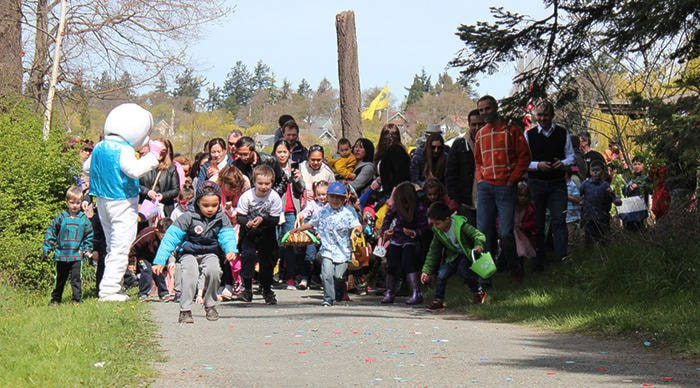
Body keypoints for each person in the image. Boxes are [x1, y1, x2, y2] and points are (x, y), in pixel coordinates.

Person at [84, 103, 165, 302]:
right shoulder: (124, 148)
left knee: (113, 245)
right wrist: (153, 157)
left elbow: (87, 168)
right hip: (122, 201)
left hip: (102, 200)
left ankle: (114, 285)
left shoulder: (100, 146)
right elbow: (134, 170)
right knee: (120, 246)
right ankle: (109, 290)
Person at [152, 181, 237, 323]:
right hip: (189, 252)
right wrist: (160, 261)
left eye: (214, 205)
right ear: (197, 202)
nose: (210, 209)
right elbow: (170, 238)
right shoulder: (187, 217)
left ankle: (210, 305)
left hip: (210, 252)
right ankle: (185, 310)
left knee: (214, 271)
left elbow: (227, 235)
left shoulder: (221, 218)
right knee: (190, 274)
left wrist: (230, 249)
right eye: (206, 205)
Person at [474, 95, 530, 282]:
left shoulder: (511, 130)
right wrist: (480, 179)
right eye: (481, 110)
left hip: (505, 187)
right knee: (483, 233)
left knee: (505, 232)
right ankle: (485, 277)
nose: (484, 113)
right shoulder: (481, 133)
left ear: (495, 108)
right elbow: (478, 161)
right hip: (486, 188)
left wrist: (512, 179)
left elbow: (524, 157)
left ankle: (515, 268)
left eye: (487, 109)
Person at [290, 182, 362, 306]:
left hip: (343, 250)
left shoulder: (348, 213)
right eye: (332, 197)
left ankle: (339, 292)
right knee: (326, 274)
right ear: (328, 197)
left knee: (339, 276)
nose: (335, 200)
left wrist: (357, 231)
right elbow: (312, 223)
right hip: (327, 249)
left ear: (344, 199)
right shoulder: (323, 212)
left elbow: (357, 225)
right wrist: (299, 229)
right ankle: (328, 297)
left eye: (339, 197)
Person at [525, 101, 575, 270]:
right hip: (536, 183)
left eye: (546, 115)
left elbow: (571, 157)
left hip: (557, 183)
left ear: (553, 116)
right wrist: (538, 165)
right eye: (539, 115)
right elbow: (524, 161)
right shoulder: (529, 135)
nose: (543, 119)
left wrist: (562, 164)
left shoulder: (562, 133)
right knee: (537, 223)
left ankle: (562, 257)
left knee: (559, 220)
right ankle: (538, 259)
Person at [421, 202, 486, 311]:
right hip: (453, 256)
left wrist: (478, 246)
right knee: (441, 274)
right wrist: (426, 270)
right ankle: (438, 301)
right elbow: (433, 251)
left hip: (466, 254)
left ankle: (478, 292)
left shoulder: (461, 226)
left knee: (464, 271)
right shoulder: (438, 232)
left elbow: (478, 235)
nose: (435, 227)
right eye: (433, 224)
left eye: (437, 223)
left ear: (447, 220)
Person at [236, 165, 283, 305]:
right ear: (254, 182)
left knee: (267, 262)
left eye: (267, 184)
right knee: (248, 256)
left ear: (272, 183)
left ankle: (267, 289)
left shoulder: (274, 197)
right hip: (249, 233)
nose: (263, 187)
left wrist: (263, 220)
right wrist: (247, 223)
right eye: (260, 183)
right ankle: (247, 289)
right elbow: (240, 217)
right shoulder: (247, 196)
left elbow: (275, 219)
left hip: (266, 233)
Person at [43, 186, 94, 305]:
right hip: (61, 255)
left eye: (77, 203)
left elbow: (89, 236)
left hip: (76, 255)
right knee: (60, 279)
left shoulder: (84, 220)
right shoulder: (61, 217)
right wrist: (47, 248)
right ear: (67, 202)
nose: (75, 206)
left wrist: (87, 249)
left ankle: (76, 300)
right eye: (72, 203)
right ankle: (55, 300)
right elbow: (51, 232)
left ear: (81, 203)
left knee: (76, 279)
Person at [380, 182, 429, 305]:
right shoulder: (396, 207)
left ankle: (415, 292)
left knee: (408, 263)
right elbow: (387, 219)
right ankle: (390, 291)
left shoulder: (419, 209)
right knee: (391, 264)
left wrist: (414, 232)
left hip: (411, 241)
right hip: (397, 238)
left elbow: (424, 227)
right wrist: (386, 230)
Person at [272, 140, 306, 290]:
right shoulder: (271, 167)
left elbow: (301, 189)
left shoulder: (295, 167)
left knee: (290, 244)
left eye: (285, 152)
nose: (282, 155)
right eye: (279, 152)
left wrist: (298, 179)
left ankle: (291, 277)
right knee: (274, 244)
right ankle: (272, 276)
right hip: (274, 210)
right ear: (275, 153)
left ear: (289, 153)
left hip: (291, 210)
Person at [446, 109, 483, 223]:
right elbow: (450, 173)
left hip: (486, 199)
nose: (477, 128)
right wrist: (454, 198)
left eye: (480, 124)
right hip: (465, 202)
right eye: (474, 125)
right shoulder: (460, 145)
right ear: (469, 125)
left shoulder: (491, 143)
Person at [128, 217, 173, 301]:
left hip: (157, 258)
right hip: (143, 256)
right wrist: (131, 262)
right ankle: (143, 293)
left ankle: (163, 293)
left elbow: (167, 253)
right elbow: (134, 248)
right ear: (157, 231)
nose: (165, 238)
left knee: (159, 272)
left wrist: (165, 265)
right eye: (163, 235)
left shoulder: (169, 240)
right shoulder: (147, 235)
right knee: (147, 271)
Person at [579, 161, 622, 246]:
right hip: (589, 218)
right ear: (590, 171)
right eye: (593, 170)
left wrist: (616, 199)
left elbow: (614, 198)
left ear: (602, 171)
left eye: (597, 170)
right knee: (589, 242)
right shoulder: (585, 184)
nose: (595, 172)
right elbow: (577, 195)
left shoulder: (605, 185)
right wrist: (580, 202)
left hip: (603, 218)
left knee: (604, 241)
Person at [139, 138, 180, 217]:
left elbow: (176, 190)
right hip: (144, 207)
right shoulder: (143, 165)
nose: (160, 152)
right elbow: (135, 184)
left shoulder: (171, 168)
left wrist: (163, 195)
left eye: (163, 150)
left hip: (164, 209)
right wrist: (147, 192)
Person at [374, 123, 410, 198]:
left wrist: (392, 197)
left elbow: (401, 176)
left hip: (395, 196)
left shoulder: (396, 150)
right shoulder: (383, 154)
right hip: (384, 193)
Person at [622, 157, 652, 231]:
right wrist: (629, 188)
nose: (637, 166)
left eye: (639, 164)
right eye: (635, 164)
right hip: (631, 208)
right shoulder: (629, 178)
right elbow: (624, 192)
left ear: (643, 165)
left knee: (641, 227)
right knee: (630, 228)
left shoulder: (646, 178)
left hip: (642, 208)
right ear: (632, 166)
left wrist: (639, 186)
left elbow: (650, 190)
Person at [514, 181, 536, 267]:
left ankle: (520, 264)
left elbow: (533, 222)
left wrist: (523, 226)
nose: (523, 198)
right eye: (520, 195)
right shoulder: (511, 207)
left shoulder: (530, 209)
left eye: (525, 196)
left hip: (525, 234)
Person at [565, 167, 582, 250]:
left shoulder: (572, 185)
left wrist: (567, 196)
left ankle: (572, 256)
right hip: (564, 216)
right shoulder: (561, 186)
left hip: (572, 216)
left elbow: (578, 199)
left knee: (570, 238)